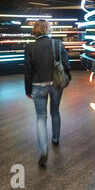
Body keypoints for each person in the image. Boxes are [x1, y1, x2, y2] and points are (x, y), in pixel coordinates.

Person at [24, 19, 71, 167]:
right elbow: (67, 64)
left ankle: (43, 150)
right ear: (48, 29)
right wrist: (67, 78)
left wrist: (28, 90)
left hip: (37, 85)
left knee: (40, 117)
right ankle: (55, 139)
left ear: (35, 31)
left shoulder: (30, 47)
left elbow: (27, 71)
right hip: (56, 84)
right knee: (55, 111)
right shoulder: (57, 44)